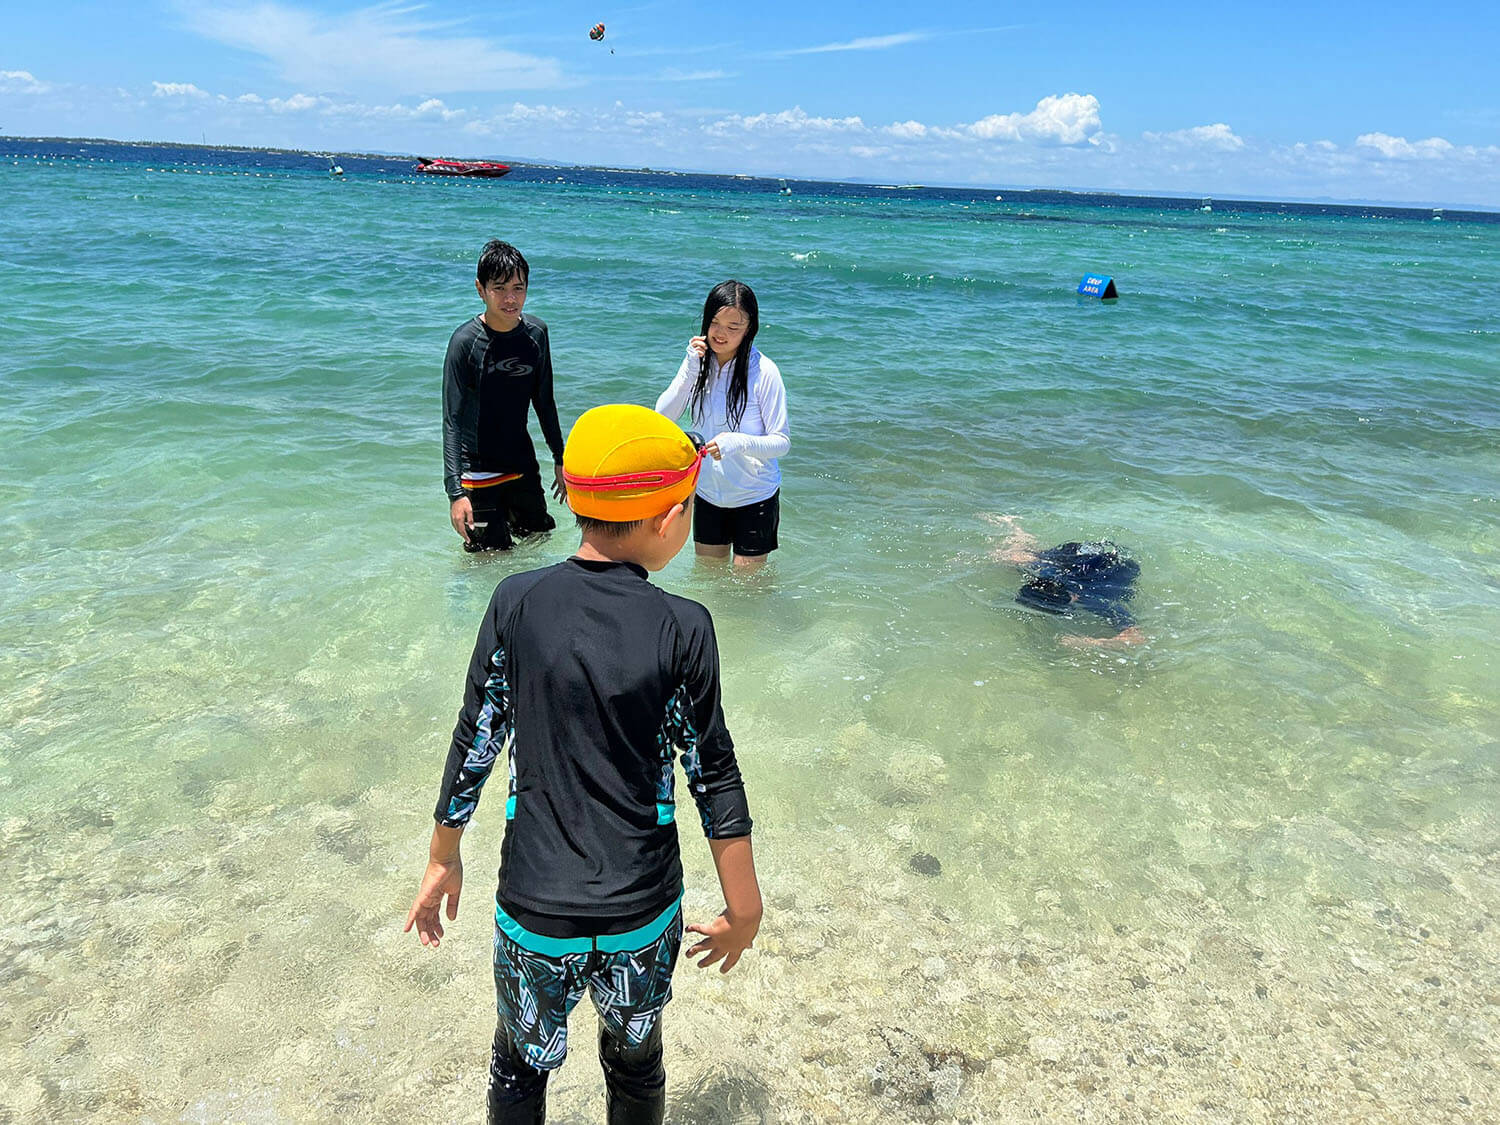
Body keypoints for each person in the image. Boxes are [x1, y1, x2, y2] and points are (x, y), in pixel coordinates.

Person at [406, 404, 763, 1124]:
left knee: (519, 1066)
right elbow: (711, 771)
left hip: (535, 906)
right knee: (635, 1063)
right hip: (641, 907)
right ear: (667, 518)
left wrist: (443, 855)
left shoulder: (516, 601)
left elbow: (477, 738)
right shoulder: (684, 626)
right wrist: (744, 907)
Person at [654, 280, 789, 575]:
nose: (720, 333)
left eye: (733, 326)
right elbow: (662, 416)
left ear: (749, 329)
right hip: (707, 494)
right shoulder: (697, 363)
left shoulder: (764, 371)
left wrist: (738, 442)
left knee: (747, 588)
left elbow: (781, 442)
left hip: (755, 496)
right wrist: (690, 369)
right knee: (709, 580)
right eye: (714, 322)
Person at [442, 240, 568, 552]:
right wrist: (455, 493)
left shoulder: (536, 334)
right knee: (488, 558)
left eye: (518, 288)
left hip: (522, 466)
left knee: (538, 543)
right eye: (499, 288)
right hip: (477, 473)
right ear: (480, 289)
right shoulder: (465, 343)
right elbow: (452, 421)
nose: (510, 298)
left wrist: (560, 458)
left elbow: (544, 402)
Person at [985, 514, 1145, 648]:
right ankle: (1012, 524)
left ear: (1073, 598)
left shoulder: (1095, 600)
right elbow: (1021, 557)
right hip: (1077, 559)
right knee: (1020, 557)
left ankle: (1014, 527)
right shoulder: (1046, 574)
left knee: (1022, 557)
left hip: (1120, 568)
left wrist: (1089, 642)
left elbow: (1136, 637)